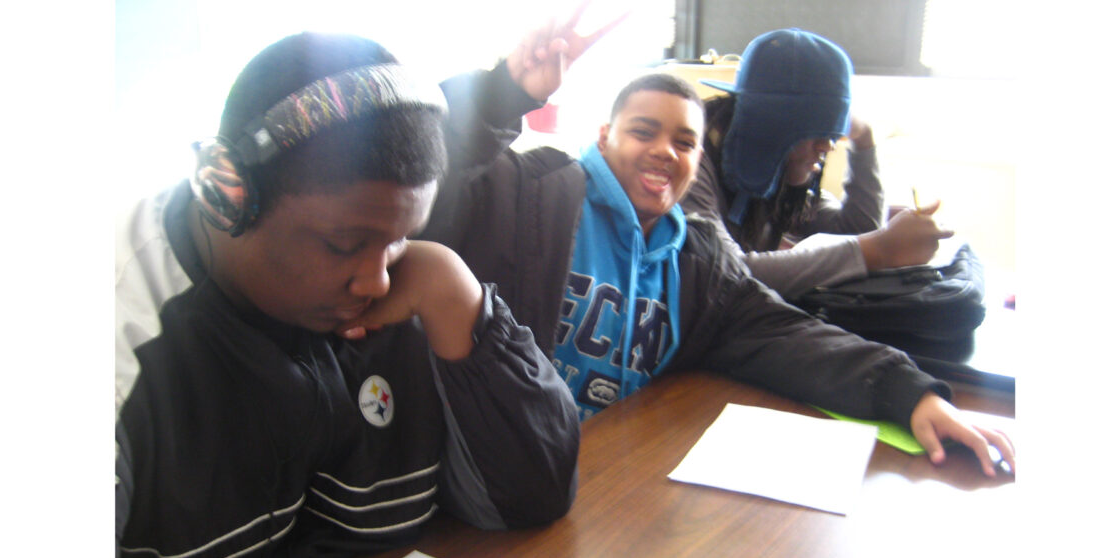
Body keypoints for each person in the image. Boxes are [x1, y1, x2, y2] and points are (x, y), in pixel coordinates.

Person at [115, 31, 590, 558]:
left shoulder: (397, 283)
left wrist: (456, 295)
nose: (377, 282)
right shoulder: (119, 341)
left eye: (400, 241)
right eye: (344, 245)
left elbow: (534, 495)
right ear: (226, 194)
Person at [341, 63, 1014, 479]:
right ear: (604, 136)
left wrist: (914, 394)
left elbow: (785, 334)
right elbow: (432, 175)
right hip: (487, 473)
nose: (665, 150)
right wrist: (501, 91)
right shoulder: (529, 195)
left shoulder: (699, 258)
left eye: (685, 140)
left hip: (611, 476)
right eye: (643, 130)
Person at [680, 28, 954, 299]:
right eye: (817, 132)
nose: (829, 146)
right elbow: (727, 275)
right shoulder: (690, 166)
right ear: (770, 126)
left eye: (832, 133)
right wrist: (878, 250)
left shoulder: (778, 176)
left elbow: (857, 228)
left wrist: (865, 140)